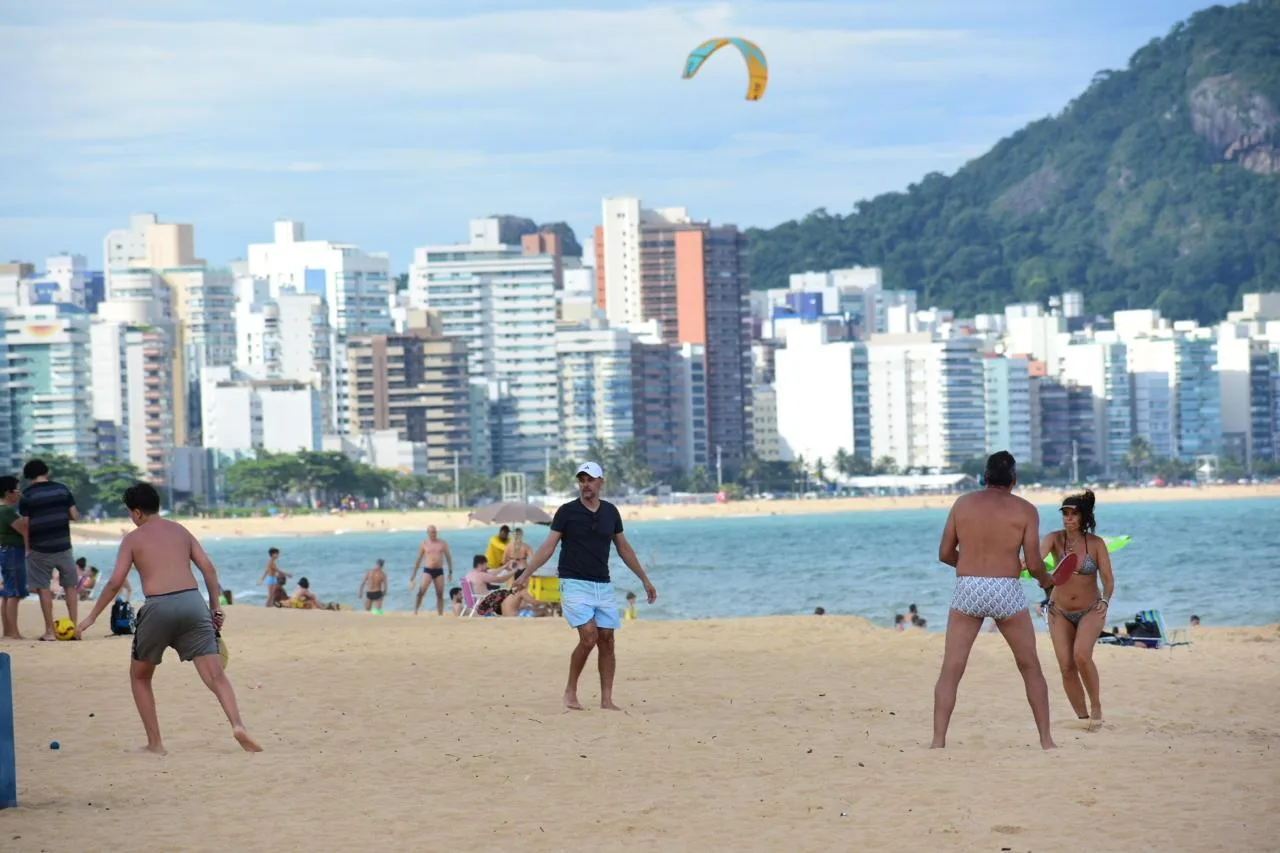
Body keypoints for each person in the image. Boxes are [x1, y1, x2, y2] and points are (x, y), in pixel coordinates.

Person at [76, 482, 261, 754]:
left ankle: (156, 744)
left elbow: (116, 582)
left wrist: (91, 617)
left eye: (130, 513)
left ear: (137, 513)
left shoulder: (132, 539)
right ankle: (238, 725)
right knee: (215, 675)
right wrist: (214, 608)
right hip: (192, 603)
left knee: (140, 677)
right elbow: (208, 568)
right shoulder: (180, 530)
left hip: (158, 607)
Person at [932, 451, 1056, 750]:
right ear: (1013, 481)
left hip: (968, 587)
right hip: (1006, 589)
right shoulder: (1026, 510)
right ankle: (1046, 741)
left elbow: (945, 553)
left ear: (984, 477)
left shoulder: (962, 504)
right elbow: (1035, 562)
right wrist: (1046, 581)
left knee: (952, 668)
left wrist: (972, 565)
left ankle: (938, 742)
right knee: (1029, 666)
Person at [512, 462, 657, 711]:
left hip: (602, 584)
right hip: (573, 582)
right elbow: (548, 547)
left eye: (590, 479)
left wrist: (644, 579)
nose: (585, 484)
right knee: (589, 636)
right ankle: (570, 691)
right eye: (581, 480)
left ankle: (606, 699)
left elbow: (624, 548)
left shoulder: (611, 513)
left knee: (607, 639)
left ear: (601, 482)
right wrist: (525, 575)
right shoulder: (567, 512)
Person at [1040, 489, 1114, 731]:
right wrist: (1039, 573)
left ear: (1084, 517)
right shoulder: (1053, 539)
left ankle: (1096, 706)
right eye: (1065, 514)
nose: (1068, 518)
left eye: (1073, 514)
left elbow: (1108, 578)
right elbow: (1037, 561)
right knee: (1065, 665)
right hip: (1058, 611)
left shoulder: (1096, 544)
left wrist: (1106, 599)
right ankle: (1082, 719)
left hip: (1090, 609)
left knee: (1081, 656)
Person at [18, 459, 81, 641]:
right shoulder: (62, 489)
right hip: (63, 545)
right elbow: (74, 515)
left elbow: (26, 525)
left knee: (43, 588)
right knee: (70, 586)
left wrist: (27, 549)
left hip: (39, 548)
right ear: (47, 471)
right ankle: (74, 628)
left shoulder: (27, 495)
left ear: (28, 476)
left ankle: (50, 632)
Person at [0, 475, 28, 640]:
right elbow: (23, 528)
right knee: (15, 593)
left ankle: (8, 630)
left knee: (8, 592)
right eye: (17, 490)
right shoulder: (8, 511)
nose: (18, 494)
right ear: (8, 492)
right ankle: (13, 632)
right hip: (12, 552)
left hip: (5, 551)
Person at [410, 526, 453, 616]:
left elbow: (448, 557)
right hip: (428, 570)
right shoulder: (424, 544)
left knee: (440, 593)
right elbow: (418, 559)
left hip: (439, 571)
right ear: (428, 533)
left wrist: (450, 571)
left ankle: (440, 614)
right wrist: (413, 575)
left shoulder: (442, 543)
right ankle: (415, 611)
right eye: (432, 532)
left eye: (435, 532)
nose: (434, 534)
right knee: (421, 591)